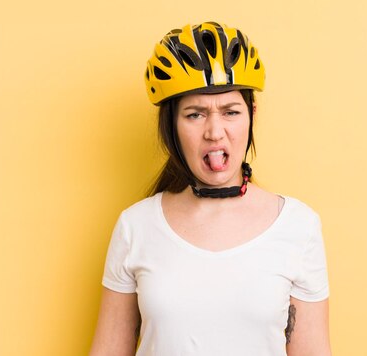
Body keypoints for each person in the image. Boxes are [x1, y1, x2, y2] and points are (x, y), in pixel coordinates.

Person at [90, 21, 331, 356]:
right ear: (171, 127)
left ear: (251, 116)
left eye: (230, 112)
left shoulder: (298, 226)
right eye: (195, 115)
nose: (215, 132)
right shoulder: (135, 227)